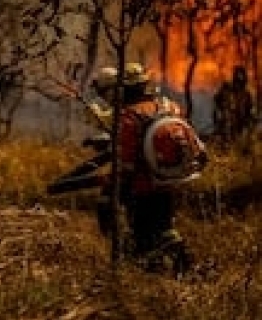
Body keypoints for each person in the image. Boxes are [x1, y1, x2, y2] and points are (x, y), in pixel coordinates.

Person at [49, 63, 203, 274]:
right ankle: (183, 265)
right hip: (169, 178)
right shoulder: (168, 106)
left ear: (124, 89)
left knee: (142, 232)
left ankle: (147, 268)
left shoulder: (128, 118)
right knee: (165, 226)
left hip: (142, 186)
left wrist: (114, 190)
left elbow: (127, 164)